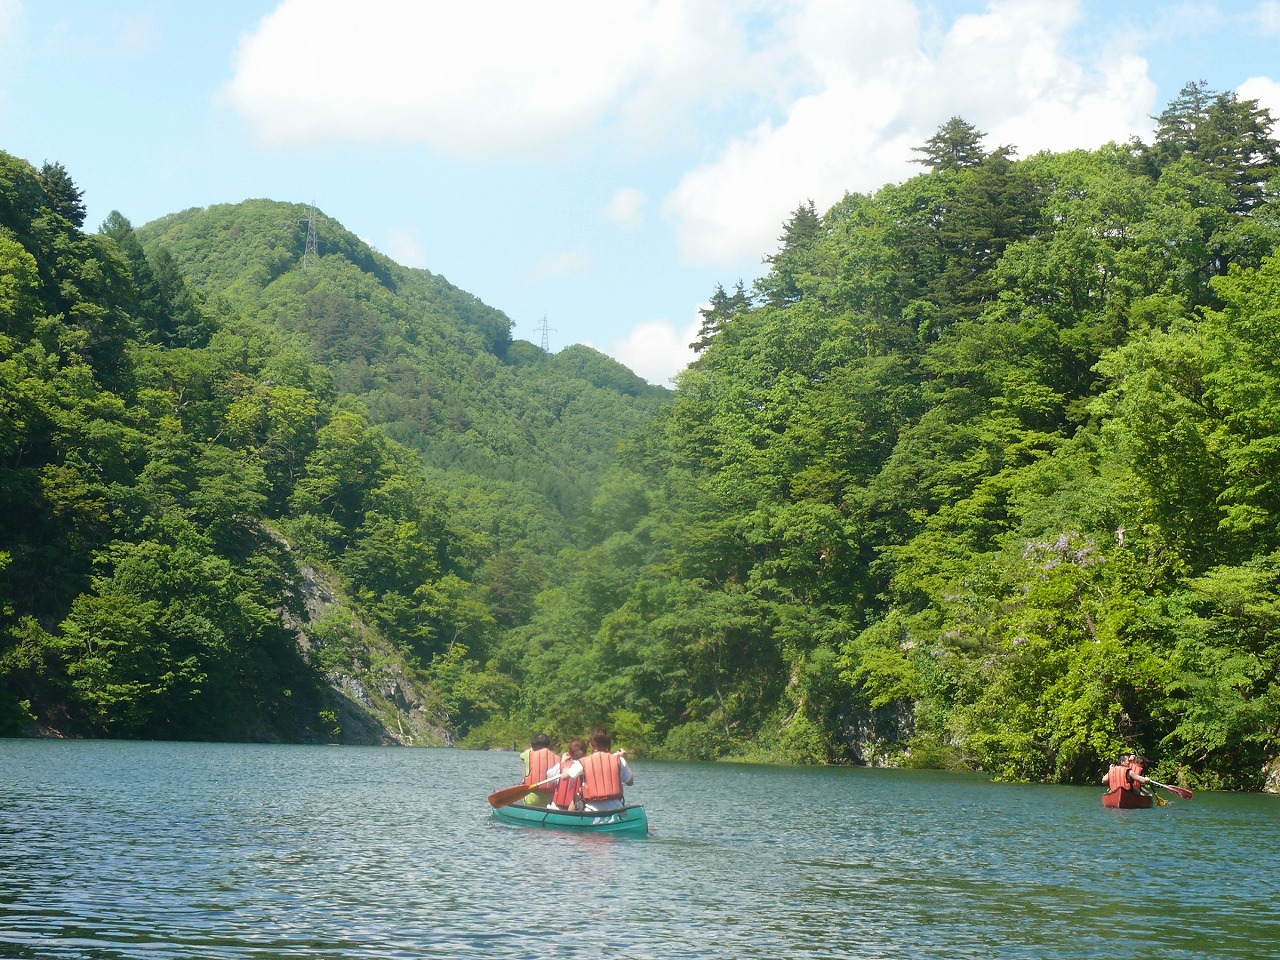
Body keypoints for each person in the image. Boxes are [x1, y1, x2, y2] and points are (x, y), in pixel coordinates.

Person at [561, 726, 633, 812]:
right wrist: (625, 759)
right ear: (609, 743)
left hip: (592, 811)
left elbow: (564, 777)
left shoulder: (583, 762)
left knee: (576, 799)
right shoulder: (619, 760)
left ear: (591, 745)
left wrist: (564, 766)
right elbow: (630, 782)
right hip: (616, 810)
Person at [546, 738, 587, 810]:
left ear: (569, 753)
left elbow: (549, 777)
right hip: (578, 809)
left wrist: (562, 761)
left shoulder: (560, 766)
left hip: (557, 808)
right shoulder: (587, 767)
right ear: (585, 753)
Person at [519, 733, 558, 806]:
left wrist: (532, 749)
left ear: (533, 747)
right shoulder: (558, 759)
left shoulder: (528, 754)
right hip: (550, 802)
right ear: (549, 746)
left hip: (530, 801)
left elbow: (520, 756)